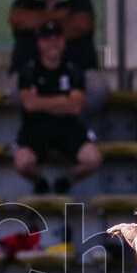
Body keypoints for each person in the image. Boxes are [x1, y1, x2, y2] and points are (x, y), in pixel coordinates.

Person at [8, 0, 107, 119]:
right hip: (30, 74)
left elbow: (82, 24)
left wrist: (38, 22)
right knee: (15, 91)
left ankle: (71, 130)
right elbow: (18, 19)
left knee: (97, 89)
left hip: (79, 73)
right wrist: (60, 16)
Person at [13, 20, 102, 194]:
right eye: (47, 38)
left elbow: (75, 107)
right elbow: (30, 105)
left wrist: (42, 100)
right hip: (36, 126)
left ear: (63, 41)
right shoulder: (29, 69)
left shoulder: (73, 69)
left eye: (57, 37)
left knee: (94, 158)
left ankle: (65, 181)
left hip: (67, 126)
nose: (52, 42)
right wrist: (63, 100)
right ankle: (41, 181)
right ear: (39, 43)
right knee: (22, 162)